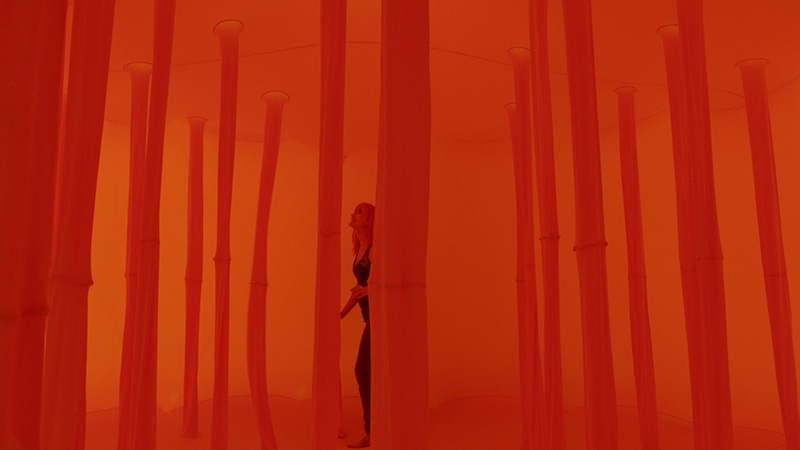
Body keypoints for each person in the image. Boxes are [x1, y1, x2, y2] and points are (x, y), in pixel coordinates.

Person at [340, 202, 375, 448]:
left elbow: (386, 282)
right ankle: (378, 426)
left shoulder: (375, 248)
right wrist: (341, 313)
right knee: (372, 372)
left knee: (362, 371)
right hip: (368, 316)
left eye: (360, 212)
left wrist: (369, 290)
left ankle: (372, 431)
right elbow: (359, 288)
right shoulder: (360, 249)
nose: (354, 214)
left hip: (379, 317)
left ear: (370, 220)